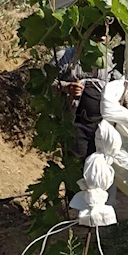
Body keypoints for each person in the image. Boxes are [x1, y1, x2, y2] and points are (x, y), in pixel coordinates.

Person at [52, 29, 123, 159]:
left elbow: (121, 85)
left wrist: (127, 107)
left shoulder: (110, 59)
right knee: (77, 163)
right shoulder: (64, 57)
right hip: (74, 124)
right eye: (97, 35)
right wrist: (66, 87)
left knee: (101, 163)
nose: (102, 39)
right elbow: (47, 84)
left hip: (103, 125)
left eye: (104, 36)